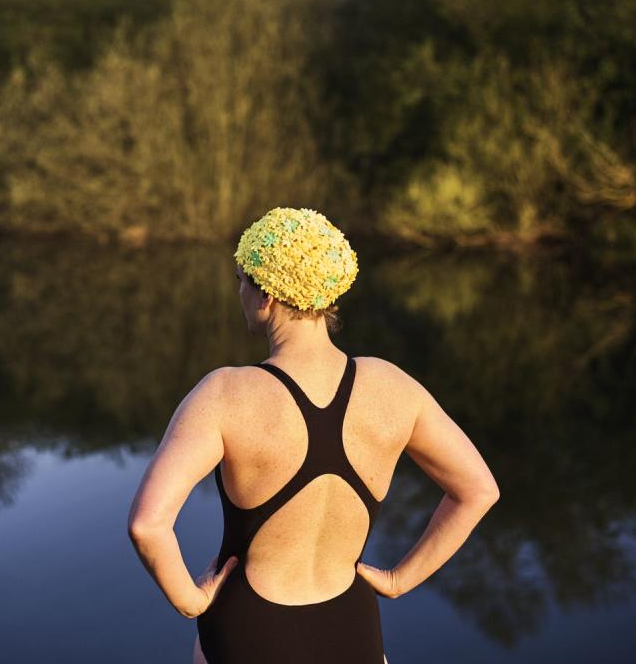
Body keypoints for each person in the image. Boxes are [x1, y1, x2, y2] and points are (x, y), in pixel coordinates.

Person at [128, 207, 500, 663]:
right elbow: (478, 490)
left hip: (246, 631)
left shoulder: (225, 394)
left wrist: (190, 600)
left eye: (242, 279)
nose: (239, 292)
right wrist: (401, 580)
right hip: (353, 629)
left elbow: (148, 525)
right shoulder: (393, 387)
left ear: (266, 296)